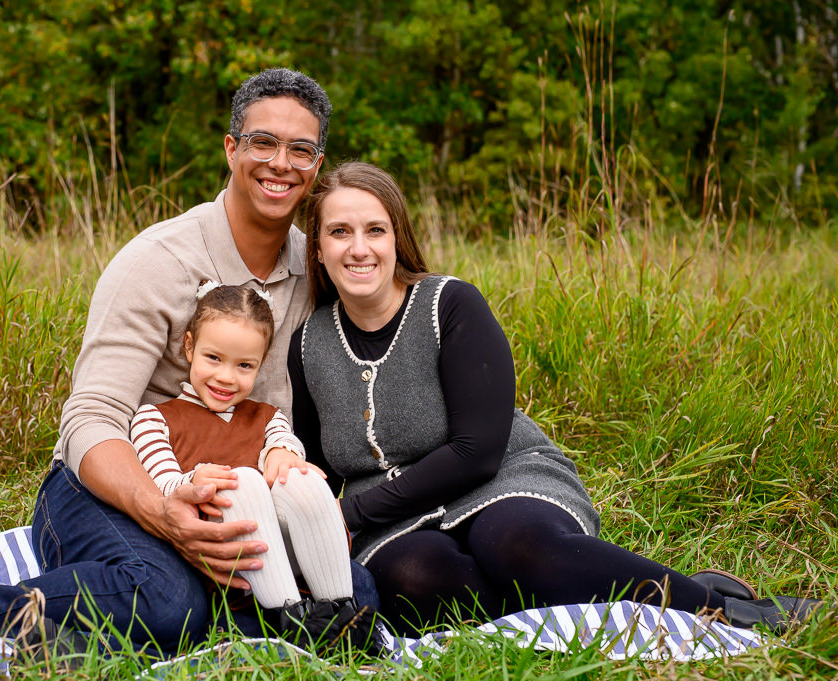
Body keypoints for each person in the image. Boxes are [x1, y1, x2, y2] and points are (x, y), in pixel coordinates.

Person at [0, 69, 378, 653]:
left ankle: (88, 635)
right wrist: (162, 511)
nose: (280, 163)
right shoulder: (158, 261)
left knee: (355, 597)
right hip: (115, 486)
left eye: (300, 149)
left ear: (316, 166)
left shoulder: (319, 266)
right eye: (262, 142)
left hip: (240, 494)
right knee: (168, 602)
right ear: (232, 149)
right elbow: (90, 419)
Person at [288, 161, 821, 636]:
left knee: (519, 547)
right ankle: (579, 599)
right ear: (317, 248)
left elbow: (477, 451)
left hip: (499, 479)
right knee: (419, 578)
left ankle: (724, 609)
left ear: (397, 238)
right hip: (393, 522)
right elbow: (318, 468)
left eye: (375, 229)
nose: (359, 248)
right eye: (339, 232)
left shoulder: (448, 304)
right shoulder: (308, 344)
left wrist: (349, 513)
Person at [129, 282, 375, 648]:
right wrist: (192, 481)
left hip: (286, 555)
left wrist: (282, 453)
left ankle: (339, 612)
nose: (227, 377)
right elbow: (162, 485)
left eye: (244, 365)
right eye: (214, 358)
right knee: (241, 480)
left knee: (300, 477)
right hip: (216, 561)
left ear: (261, 364)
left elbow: (285, 442)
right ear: (189, 347)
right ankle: (289, 616)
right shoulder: (154, 419)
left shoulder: (267, 417)